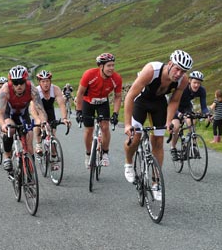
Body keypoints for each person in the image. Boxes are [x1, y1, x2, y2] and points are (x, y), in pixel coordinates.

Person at [123, 49, 192, 201]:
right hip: (141, 101)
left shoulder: (183, 80)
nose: (179, 73)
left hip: (159, 104)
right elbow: (130, 96)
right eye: (177, 68)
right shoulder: (151, 70)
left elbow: (174, 101)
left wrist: (168, 122)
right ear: (169, 64)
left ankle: (155, 183)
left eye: (183, 71)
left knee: (158, 142)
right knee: (135, 137)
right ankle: (128, 163)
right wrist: (127, 124)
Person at [75, 53, 123, 168]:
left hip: (102, 102)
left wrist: (115, 113)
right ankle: (88, 154)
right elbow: (80, 93)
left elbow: (117, 97)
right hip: (88, 102)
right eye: (108, 66)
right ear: (101, 66)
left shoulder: (116, 78)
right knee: (89, 130)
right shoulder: (89, 74)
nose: (111, 68)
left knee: (105, 127)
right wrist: (78, 111)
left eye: (113, 65)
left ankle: (105, 153)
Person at [0, 65, 47, 172]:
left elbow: (40, 110)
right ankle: (7, 156)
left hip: (23, 114)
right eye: (15, 83)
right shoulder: (5, 90)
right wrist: (3, 125)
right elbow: (0, 113)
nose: (19, 85)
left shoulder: (32, 89)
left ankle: (30, 173)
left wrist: (43, 122)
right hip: (9, 114)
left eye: (21, 82)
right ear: (11, 83)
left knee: (29, 140)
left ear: (26, 81)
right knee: (10, 129)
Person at [34, 70, 71, 169]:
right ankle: (38, 144)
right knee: (38, 124)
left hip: (50, 110)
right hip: (38, 109)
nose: (45, 84)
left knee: (52, 134)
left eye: (47, 81)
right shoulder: (36, 91)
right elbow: (35, 108)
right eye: (43, 81)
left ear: (50, 81)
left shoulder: (55, 89)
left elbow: (62, 104)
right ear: (39, 82)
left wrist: (64, 118)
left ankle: (54, 159)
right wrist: (41, 120)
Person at [169, 70, 210, 160]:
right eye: (195, 82)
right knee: (176, 127)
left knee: (191, 120)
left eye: (199, 83)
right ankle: (173, 148)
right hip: (175, 107)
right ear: (189, 81)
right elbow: (172, 103)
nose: (197, 85)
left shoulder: (202, 90)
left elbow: (204, 106)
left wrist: (207, 114)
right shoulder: (183, 88)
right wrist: (179, 114)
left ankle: (192, 143)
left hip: (187, 107)